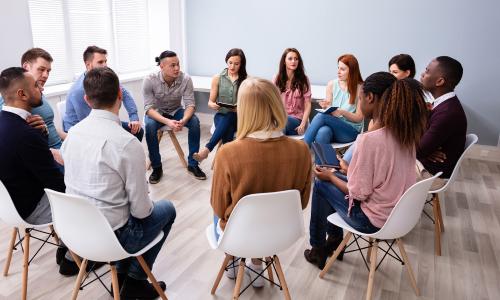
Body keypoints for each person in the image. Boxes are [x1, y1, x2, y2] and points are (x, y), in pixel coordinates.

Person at [61, 67, 176, 298]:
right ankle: (134, 280)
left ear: (86, 99)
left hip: (75, 232)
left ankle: (124, 276)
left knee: (123, 209)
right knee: (167, 209)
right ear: (120, 96)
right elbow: (142, 212)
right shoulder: (126, 143)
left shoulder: (72, 134)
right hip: (113, 238)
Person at [304, 74, 428, 270]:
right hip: (399, 215)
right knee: (333, 175)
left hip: (373, 221)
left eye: (360, 98)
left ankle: (318, 249)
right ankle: (333, 241)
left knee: (321, 183)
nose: (359, 102)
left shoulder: (370, 140)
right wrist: (345, 170)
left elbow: (358, 193)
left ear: (370, 97)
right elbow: (381, 176)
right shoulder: (406, 134)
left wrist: (329, 176)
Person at [211, 77, 312, 287]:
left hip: (240, 233)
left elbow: (220, 209)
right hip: (281, 231)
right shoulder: (301, 150)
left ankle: (235, 260)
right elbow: (301, 203)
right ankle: (258, 264)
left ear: (244, 109)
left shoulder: (227, 153)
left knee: (223, 208)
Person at [143, 50, 206, 183]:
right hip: (157, 113)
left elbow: (190, 105)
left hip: (176, 111)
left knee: (194, 122)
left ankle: (193, 164)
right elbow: (148, 109)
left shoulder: (186, 79)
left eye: (178, 64)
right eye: (172, 65)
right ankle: (157, 167)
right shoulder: (149, 79)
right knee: (149, 126)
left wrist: (183, 120)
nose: (177, 68)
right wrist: (168, 122)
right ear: (162, 66)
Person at [0, 48, 65, 165]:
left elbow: (50, 126)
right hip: (49, 157)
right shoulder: (12, 100)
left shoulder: (38, 92)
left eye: (48, 71)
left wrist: (69, 137)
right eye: (41, 69)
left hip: (61, 150)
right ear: (26, 67)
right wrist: (51, 153)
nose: (45, 75)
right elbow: (10, 138)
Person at [63, 46, 143, 141]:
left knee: (138, 131)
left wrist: (133, 117)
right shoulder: (78, 91)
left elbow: (124, 94)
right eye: (100, 62)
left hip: (99, 122)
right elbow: (89, 124)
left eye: (105, 61)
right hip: (79, 133)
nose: (105, 65)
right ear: (88, 65)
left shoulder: (104, 77)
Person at [417, 56, 467, 188]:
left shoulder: (447, 113)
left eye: (427, 71)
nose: (422, 74)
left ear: (439, 81)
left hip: (432, 172)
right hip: (428, 161)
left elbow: (418, 151)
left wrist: (424, 149)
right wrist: (426, 149)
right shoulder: (444, 104)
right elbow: (422, 146)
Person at [303, 54, 364, 162]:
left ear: (352, 71)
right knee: (323, 132)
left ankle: (301, 150)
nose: (338, 71)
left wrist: (342, 112)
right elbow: (330, 111)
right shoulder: (332, 84)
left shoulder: (361, 88)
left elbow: (359, 118)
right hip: (333, 127)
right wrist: (327, 106)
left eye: (343, 69)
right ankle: (323, 172)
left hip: (350, 131)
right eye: (338, 68)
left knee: (322, 117)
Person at [193, 48, 247, 162]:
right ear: (226, 62)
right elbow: (210, 102)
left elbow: (249, 104)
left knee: (230, 117)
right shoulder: (217, 78)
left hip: (239, 118)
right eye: (230, 63)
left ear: (241, 64)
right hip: (221, 115)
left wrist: (239, 108)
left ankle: (207, 150)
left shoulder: (246, 80)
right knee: (228, 124)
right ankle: (231, 163)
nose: (232, 67)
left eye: (236, 64)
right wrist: (214, 105)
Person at [273, 48, 311, 136]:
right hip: (280, 120)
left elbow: (308, 104)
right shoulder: (277, 78)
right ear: (284, 61)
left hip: (297, 122)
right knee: (278, 123)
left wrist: (303, 124)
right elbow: (272, 101)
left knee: (282, 121)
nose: (293, 61)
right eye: (290, 59)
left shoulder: (304, 80)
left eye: (296, 59)